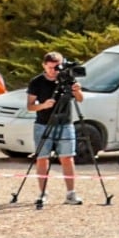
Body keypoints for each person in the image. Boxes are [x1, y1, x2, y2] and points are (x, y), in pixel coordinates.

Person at [24, 51, 83, 208]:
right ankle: (42, 193)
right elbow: (29, 107)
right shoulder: (36, 82)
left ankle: (71, 193)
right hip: (43, 123)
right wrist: (43, 105)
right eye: (50, 68)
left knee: (67, 157)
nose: (53, 71)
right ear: (44, 65)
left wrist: (77, 90)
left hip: (65, 122)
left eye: (56, 67)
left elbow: (80, 99)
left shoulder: (68, 79)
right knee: (42, 158)